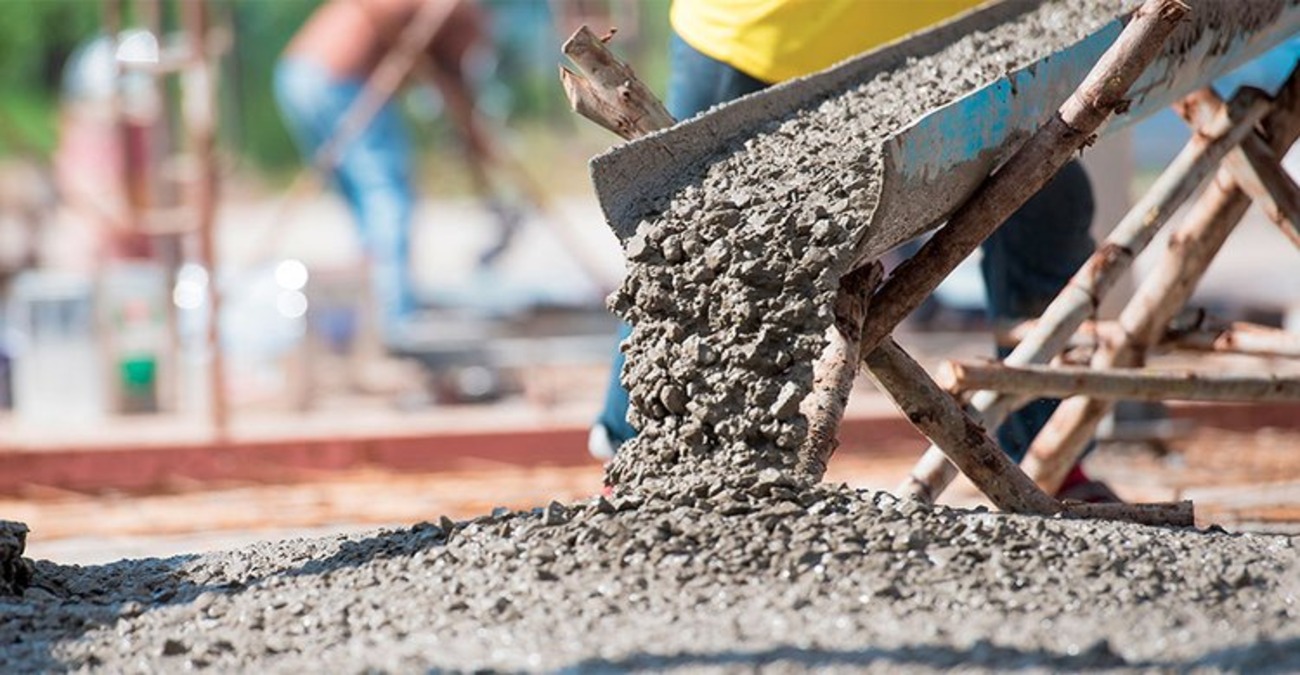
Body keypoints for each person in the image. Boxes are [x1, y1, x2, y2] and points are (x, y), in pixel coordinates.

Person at [589, 0, 1116, 502]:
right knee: (692, 256)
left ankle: (1053, 456)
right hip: (761, 40)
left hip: (965, 42)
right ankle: (641, 461)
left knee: (1047, 213)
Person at [273, 0, 488, 349]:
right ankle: (394, 319)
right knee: (387, 194)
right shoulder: (458, 12)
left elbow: (451, 80)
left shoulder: (443, 14)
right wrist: (475, 136)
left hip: (299, 74)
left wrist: (473, 137)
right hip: (338, 78)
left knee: (365, 205)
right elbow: (455, 73)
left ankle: (371, 309)